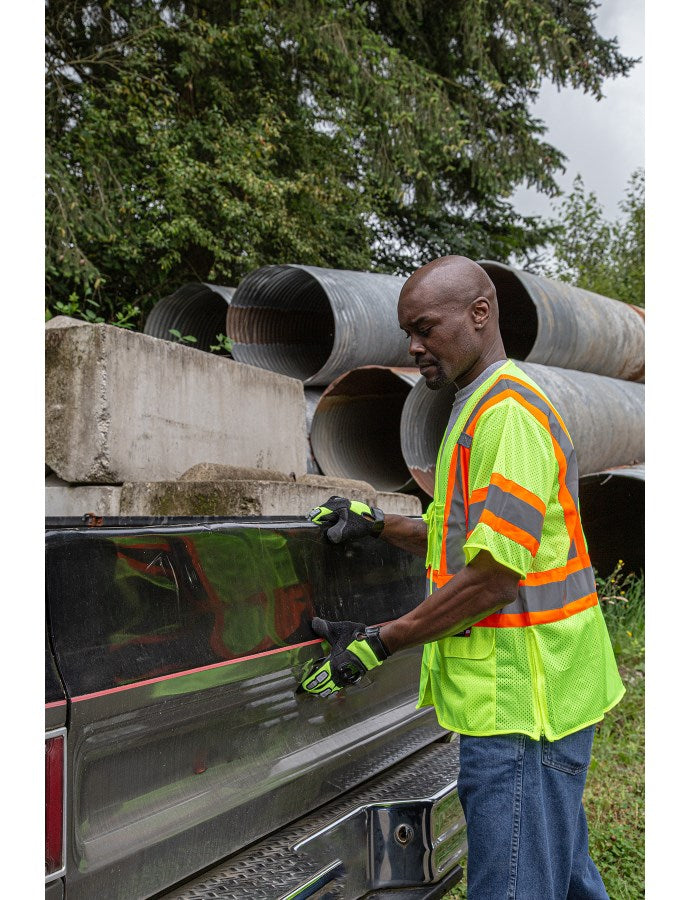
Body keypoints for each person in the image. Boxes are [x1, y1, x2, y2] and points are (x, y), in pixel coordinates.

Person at [301, 255, 625, 899]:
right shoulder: (476, 407)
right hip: (540, 696)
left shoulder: (507, 416)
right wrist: (380, 524)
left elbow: (492, 577)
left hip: (524, 708)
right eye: (407, 334)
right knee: (564, 875)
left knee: (517, 885)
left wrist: (380, 641)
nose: (414, 347)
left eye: (424, 328)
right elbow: (467, 534)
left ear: (480, 314)